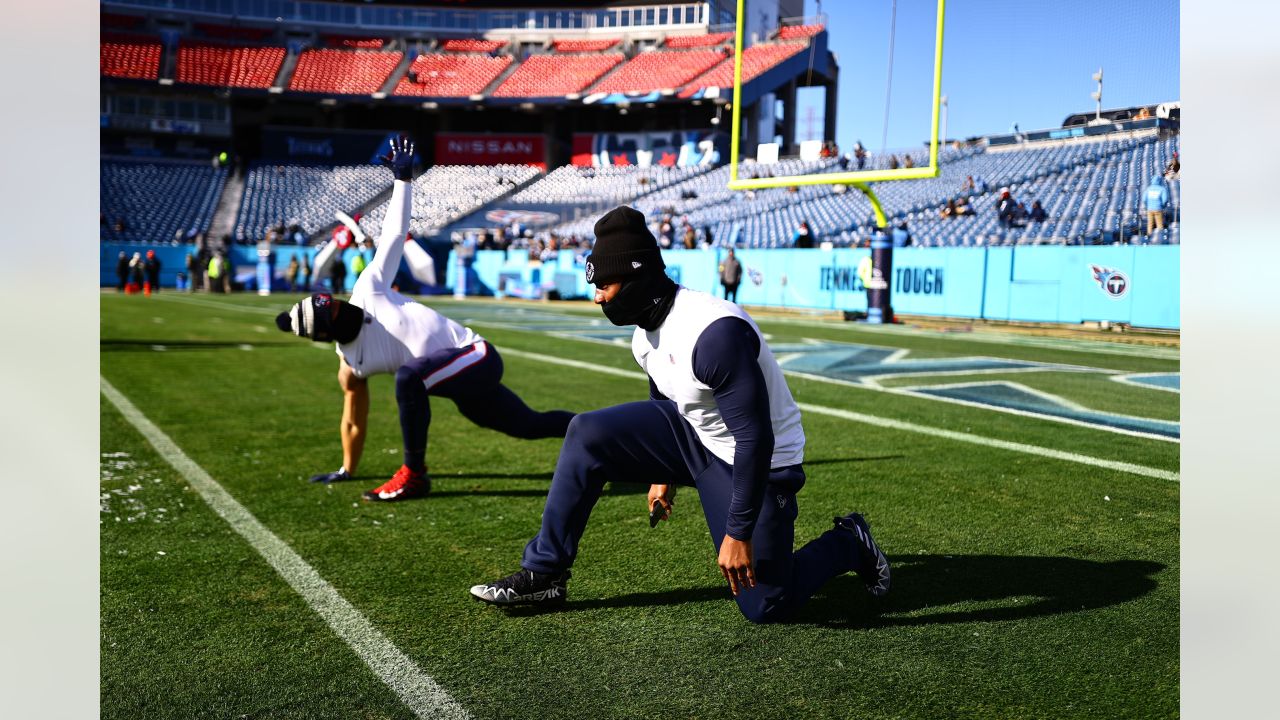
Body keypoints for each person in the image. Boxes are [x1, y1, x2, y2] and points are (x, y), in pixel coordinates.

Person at [469, 206, 891, 622]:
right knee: (586, 432)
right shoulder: (644, 334)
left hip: (758, 462)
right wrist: (663, 471)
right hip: (699, 438)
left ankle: (848, 542)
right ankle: (545, 573)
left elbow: (755, 440)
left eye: (605, 284)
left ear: (637, 277)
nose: (597, 295)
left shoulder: (714, 334)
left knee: (765, 603)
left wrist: (738, 532)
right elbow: (668, 404)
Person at [274, 135, 575, 502]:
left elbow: (394, 235)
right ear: (327, 333)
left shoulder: (369, 288)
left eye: (335, 301)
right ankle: (603, 432)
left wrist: (403, 180)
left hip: (475, 355)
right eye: (334, 312)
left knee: (409, 376)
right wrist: (346, 469)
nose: (342, 305)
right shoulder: (351, 363)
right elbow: (352, 418)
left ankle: (414, 475)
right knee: (529, 425)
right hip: (457, 382)